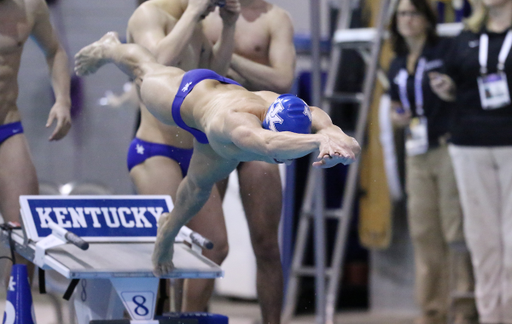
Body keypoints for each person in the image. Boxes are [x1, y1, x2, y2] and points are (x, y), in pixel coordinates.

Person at [74, 30, 360, 276]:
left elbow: (332, 128)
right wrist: (316, 143)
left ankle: (167, 230)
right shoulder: (240, 126)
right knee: (146, 71)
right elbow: (269, 145)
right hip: (190, 96)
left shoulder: (293, 109)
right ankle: (110, 47)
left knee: (196, 190)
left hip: (222, 128)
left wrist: (340, 140)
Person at [125, 0, 239, 315]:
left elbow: (215, 76)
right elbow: (155, 67)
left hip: (191, 154)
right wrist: (192, 14)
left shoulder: (197, 26)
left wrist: (229, 26)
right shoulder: (149, 15)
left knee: (215, 244)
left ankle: (186, 318)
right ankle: (151, 316)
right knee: (171, 242)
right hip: (154, 151)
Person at [202, 0, 295, 324]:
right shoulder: (200, 10)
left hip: (257, 137)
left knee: (267, 243)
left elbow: (283, 79)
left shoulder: (275, 18)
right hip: (212, 135)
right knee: (206, 245)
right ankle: (192, 320)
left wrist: (225, 60)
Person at [388, 0, 476, 324]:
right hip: (416, 154)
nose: (407, 19)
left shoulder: (444, 53)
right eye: (401, 14)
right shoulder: (396, 62)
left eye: (413, 13)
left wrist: (450, 91)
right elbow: (398, 105)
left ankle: (464, 309)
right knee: (424, 233)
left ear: (426, 18)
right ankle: (431, 310)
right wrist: (398, 116)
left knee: (455, 230)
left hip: (446, 148)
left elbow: (462, 92)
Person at [429, 0, 512, 324]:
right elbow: (452, 81)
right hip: (469, 142)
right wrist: (443, 86)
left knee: (511, 237)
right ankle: (491, 316)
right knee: (482, 238)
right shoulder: (466, 34)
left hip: (510, 142)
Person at [0, 0, 71, 272]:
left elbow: (55, 51)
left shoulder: (29, 2)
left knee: (25, 234)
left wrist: (62, 100)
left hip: (7, 127)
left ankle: (19, 314)